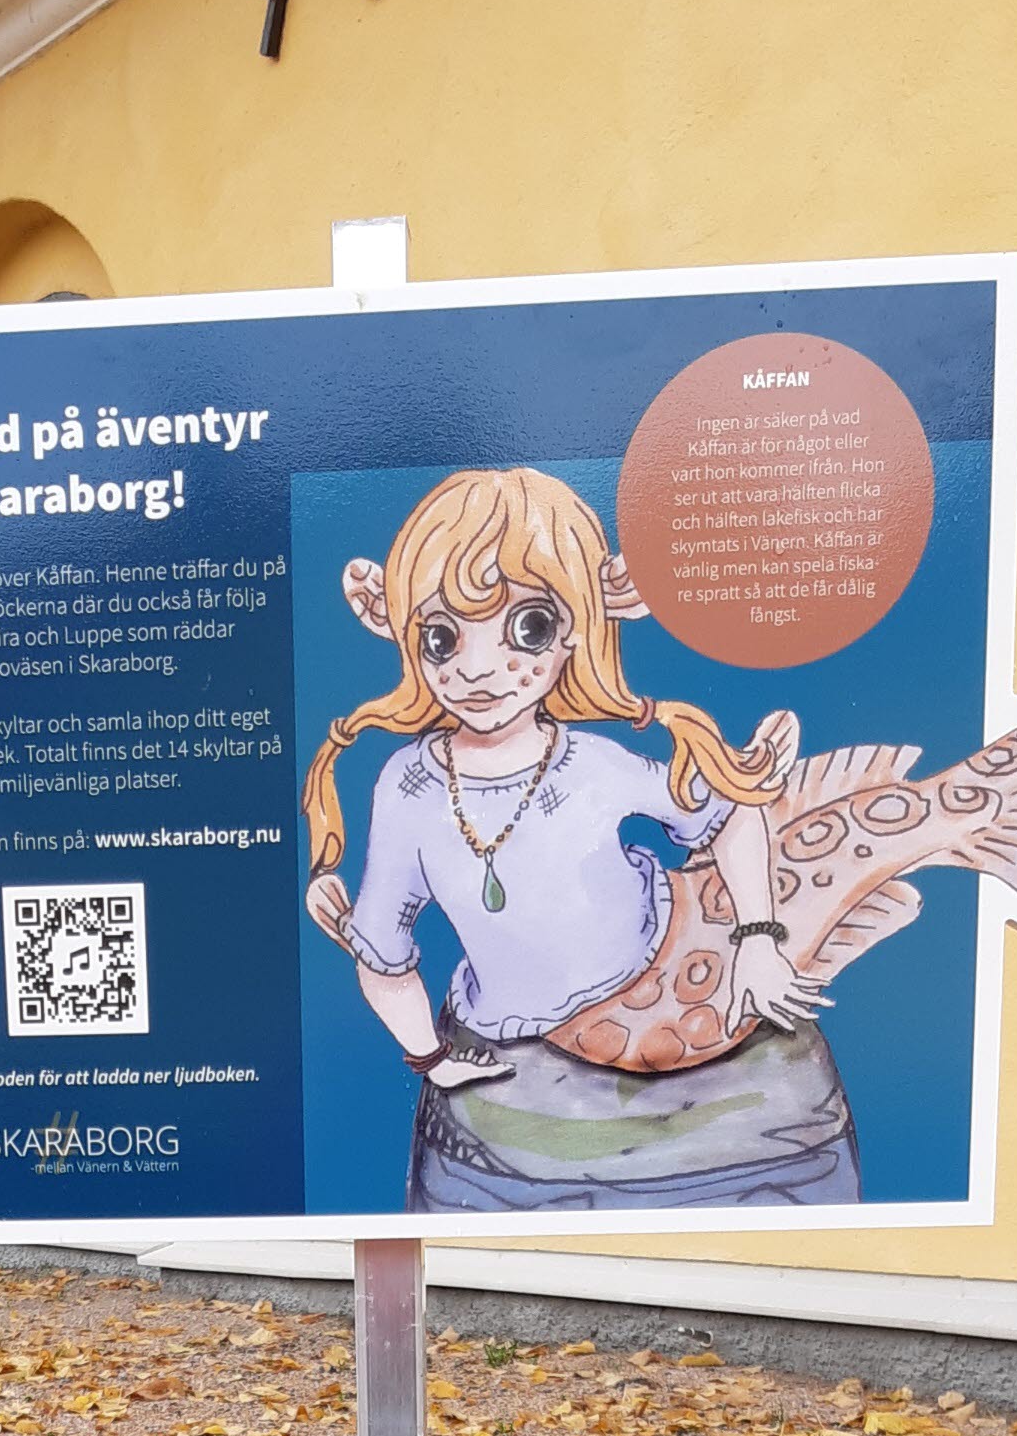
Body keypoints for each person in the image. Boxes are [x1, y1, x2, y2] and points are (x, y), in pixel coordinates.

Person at [300, 467, 863, 1212]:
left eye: (526, 627)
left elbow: (733, 813)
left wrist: (759, 939)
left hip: (705, 1056)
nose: (477, 668)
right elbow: (383, 950)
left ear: (579, 630)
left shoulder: (595, 763)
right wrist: (430, 1057)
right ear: (404, 634)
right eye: (441, 637)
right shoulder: (406, 786)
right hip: (507, 1077)